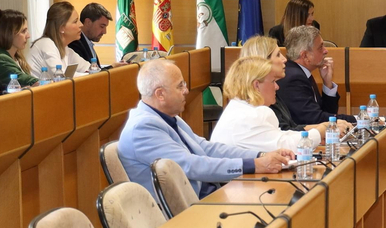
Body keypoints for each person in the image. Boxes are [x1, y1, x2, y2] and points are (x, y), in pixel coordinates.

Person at [117, 58, 293, 199]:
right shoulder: (142, 128)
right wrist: (253, 165)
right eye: (180, 86)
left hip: (207, 195)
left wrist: (260, 155)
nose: (186, 91)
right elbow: (190, 165)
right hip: (187, 212)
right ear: (160, 94)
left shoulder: (168, 117)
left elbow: (206, 148)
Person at [211, 56, 312, 154]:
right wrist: (318, 134)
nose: (277, 87)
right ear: (256, 85)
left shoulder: (239, 107)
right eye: (273, 81)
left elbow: (280, 135)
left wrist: (314, 132)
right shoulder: (249, 116)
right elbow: (288, 146)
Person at [280, 25, 353, 125]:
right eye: (320, 47)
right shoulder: (294, 78)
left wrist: (327, 83)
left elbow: (326, 114)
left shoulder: (301, 72)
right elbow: (314, 119)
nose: (326, 51)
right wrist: (356, 119)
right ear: (305, 55)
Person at [26, 1, 91, 78]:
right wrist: (89, 75)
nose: (81, 25)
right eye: (75, 21)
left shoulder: (66, 49)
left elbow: (89, 68)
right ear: (61, 28)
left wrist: (92, 72)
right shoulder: (46, 44)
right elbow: (60, 76)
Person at [0, 9, 39, 90]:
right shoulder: (0, 59)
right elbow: (26, 80)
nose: (28, 36)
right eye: (23, 31)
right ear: (9, 33)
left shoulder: (17, 57)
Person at [69, 3, 112, 69]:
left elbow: (96, 71)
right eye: (102, 26)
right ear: (88, 22)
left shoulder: (87, 42)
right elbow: (89, 72)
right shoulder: (74, 43)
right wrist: (112, 67)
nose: (104, 32)